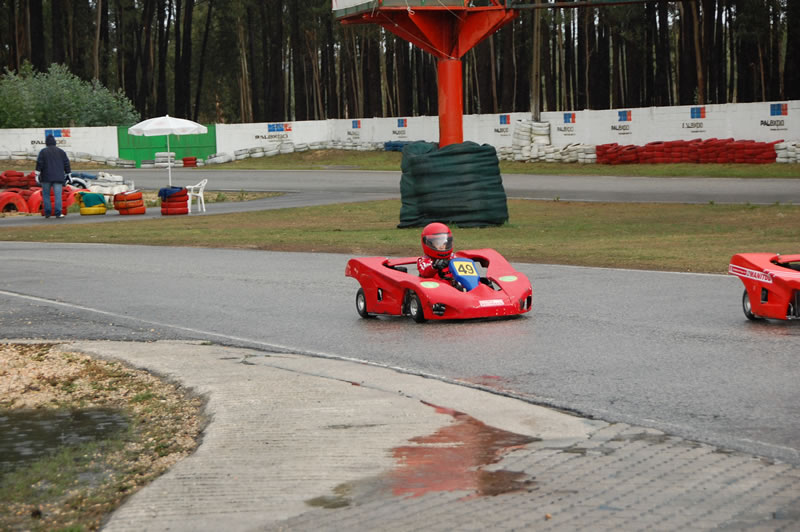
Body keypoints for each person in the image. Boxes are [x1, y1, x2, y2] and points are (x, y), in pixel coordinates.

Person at [35, 134, 72, 218]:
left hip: (46, 177)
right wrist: (69, 174)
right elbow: (66, 163)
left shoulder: (43, 152)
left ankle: (47, 213)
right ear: (55, 142)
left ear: (46, 143)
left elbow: (39, 163)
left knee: (46, 195)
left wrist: (37, 174)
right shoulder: (61, 151)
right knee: (58, 195)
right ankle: (58, 213)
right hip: (58, 177)